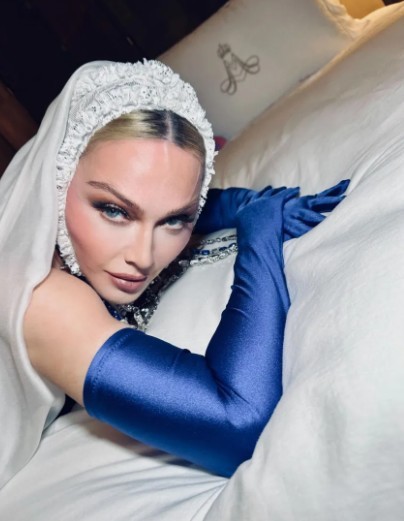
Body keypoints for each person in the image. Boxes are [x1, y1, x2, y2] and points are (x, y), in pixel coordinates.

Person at [0, 59, 347, 487]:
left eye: (174, 220)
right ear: (56, 182)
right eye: (114, 210)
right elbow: (236, 422)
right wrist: (259, 234)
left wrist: (243, 204)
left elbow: (190, 203)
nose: (143, 256)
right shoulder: (41, 300)